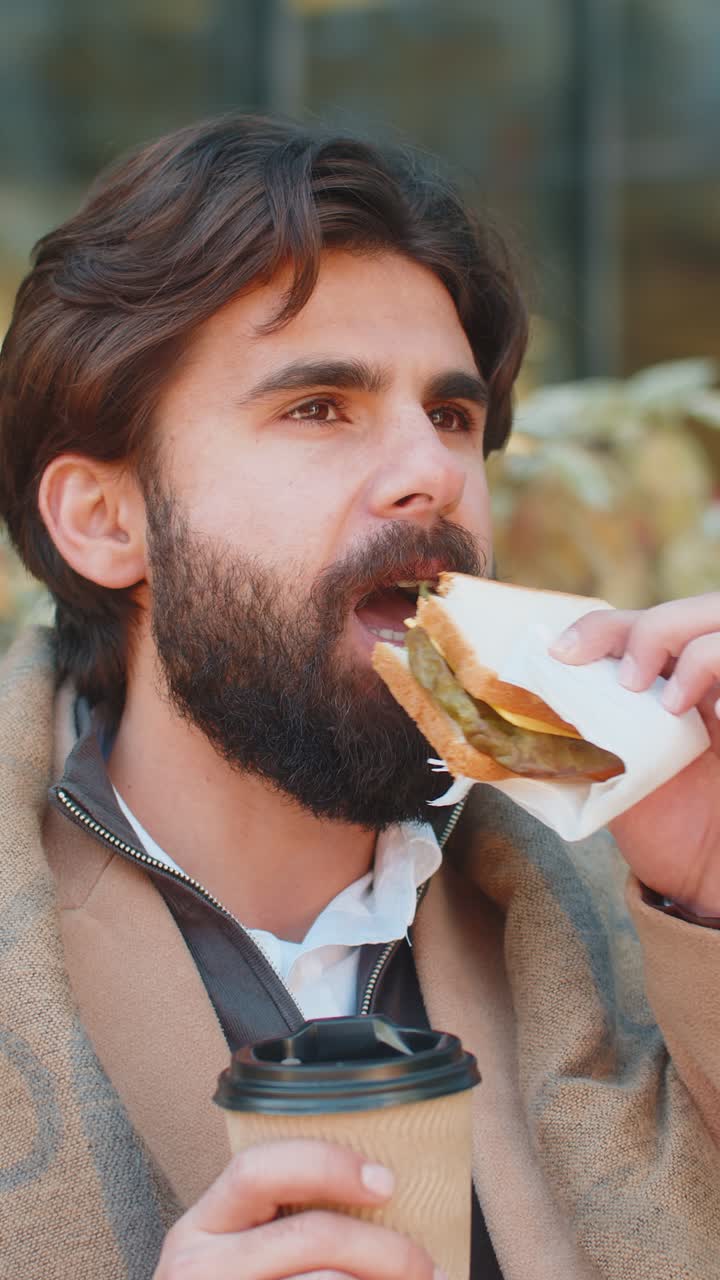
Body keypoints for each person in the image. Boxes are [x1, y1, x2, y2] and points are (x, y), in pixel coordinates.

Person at [0, 115, 718, 1280]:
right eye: (319, 406)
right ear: (104, 519)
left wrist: (708, 897)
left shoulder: (637, 904)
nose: (433, 472)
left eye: (451, 415)